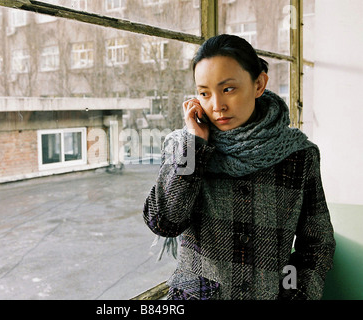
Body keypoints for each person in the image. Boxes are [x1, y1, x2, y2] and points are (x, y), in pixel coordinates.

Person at [143, 34, 336, 300]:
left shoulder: (299, 156)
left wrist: (296, 294)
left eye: (228, 89)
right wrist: (195, 146)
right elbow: (164, 223)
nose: (217, 105)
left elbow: (317, 244)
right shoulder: (184, 149)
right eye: (204, 93)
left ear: (259, 84)